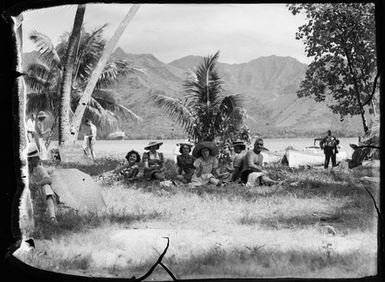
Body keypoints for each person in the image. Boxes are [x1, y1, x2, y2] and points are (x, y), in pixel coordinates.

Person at [27, 143, 57, 224]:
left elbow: (48, 179)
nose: (38, 159)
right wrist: (27, 185)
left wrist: (38, 183)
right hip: (27, 200)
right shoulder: (23, 170)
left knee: (46, 187)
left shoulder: (39, 169)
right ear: (29, 160)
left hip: (38, 198)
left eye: (38, 157)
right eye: (36, 158)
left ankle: (52, 217)